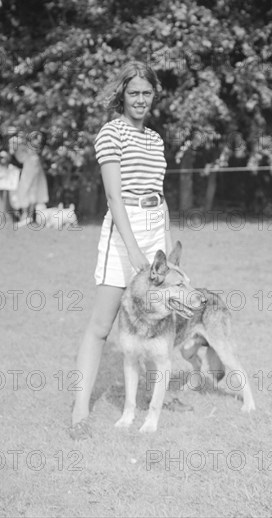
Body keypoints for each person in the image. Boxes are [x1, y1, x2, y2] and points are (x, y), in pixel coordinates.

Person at [70, 60, 172, 439]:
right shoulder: (111, 134)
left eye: (147, 93)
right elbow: (114, 196)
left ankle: (147, 403)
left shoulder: (156, 139)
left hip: (154, 227)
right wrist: (132, 249)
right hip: (122, 231)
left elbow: (160, 195)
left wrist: (167, 245)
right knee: (102, 325)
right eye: (134, 93)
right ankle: (80, 411)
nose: (141, 99)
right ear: (123, 96)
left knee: (156, 321)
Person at [9, 129, 49, 226]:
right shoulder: (17, 142)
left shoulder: (30, 147)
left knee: (28, 191)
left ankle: (27, 216)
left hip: (31, 168)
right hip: (29, 168)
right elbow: (12, 151)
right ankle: (26, 216)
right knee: (27, 191)